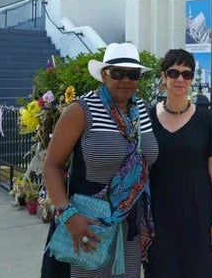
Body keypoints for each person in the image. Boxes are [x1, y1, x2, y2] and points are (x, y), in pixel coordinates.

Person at [41, 42, 158, 278]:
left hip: (128, 226)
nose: (126, 79)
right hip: (86, 223)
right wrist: (67, 214)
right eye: (118, 72)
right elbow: (51, 166)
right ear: (104, 75)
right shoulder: (82, 110)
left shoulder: (141, 111)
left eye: (133, 74)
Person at [144, 48, 212, 277]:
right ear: (163, 76)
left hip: (200, 219)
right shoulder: (147, 120)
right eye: (173, 73)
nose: (180, 79)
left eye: (187, 74)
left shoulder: (207, 121)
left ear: (192, 79)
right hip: (160, 221)